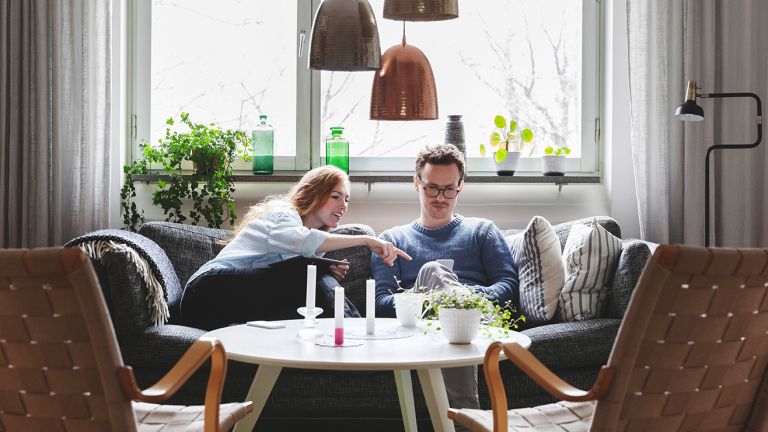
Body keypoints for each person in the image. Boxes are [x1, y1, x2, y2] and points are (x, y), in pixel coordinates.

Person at [370, 144, 519, 412]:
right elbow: (381, 303)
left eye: (449, 189)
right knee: (432, 270)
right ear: (417, 184)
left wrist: (465, 300)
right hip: (421, 325)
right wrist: (429, 296)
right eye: (432, 188)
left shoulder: (482, 231)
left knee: (441, 283)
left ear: (460, 186)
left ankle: (464, 419)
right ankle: (467, 418)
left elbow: (508, 286)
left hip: (481, 324)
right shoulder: (391, 241)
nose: (441, 197)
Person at [182, 165, 411, 331]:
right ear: (314, 193)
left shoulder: (311, 247)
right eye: (335, 196)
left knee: (311, 275)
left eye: (347, 199)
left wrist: (321, 267)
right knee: (308, 271)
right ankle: (355, 331)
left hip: (234, 303)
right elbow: (302, 242)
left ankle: (349, 332)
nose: (344, 206)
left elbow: (285, 269)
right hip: (206, 292)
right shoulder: (283, 214)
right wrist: (366, 240)